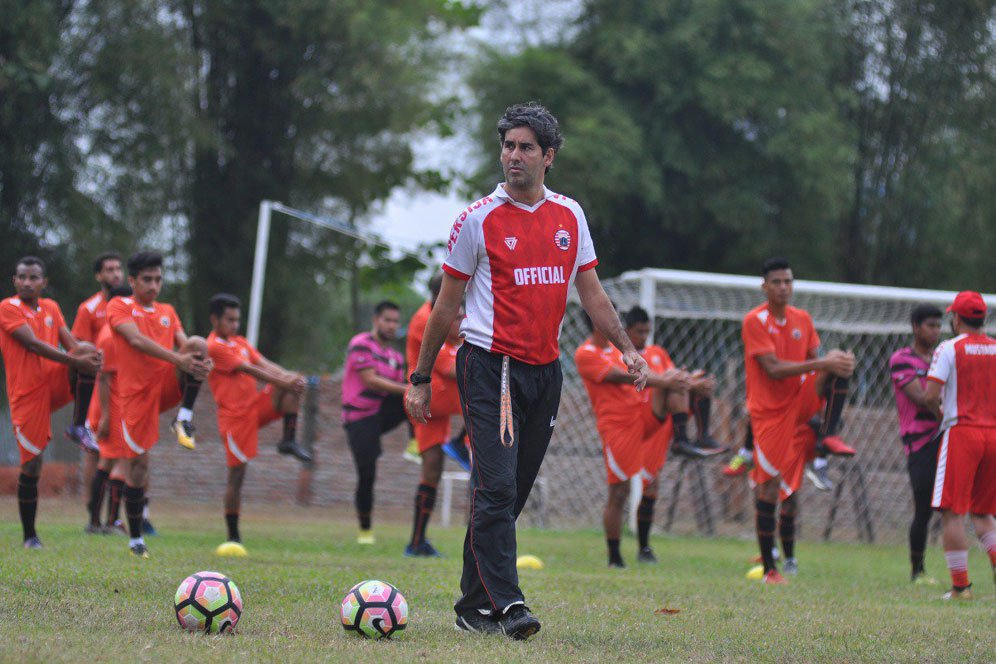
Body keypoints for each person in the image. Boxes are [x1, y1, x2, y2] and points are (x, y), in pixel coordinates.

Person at [406, 102, 649, 639]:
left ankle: (471, 607)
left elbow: (592, 293)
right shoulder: (477, 219)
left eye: (526, 147)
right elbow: (446, 307)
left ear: (549, 157)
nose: (513, 156)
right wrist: (421, 378)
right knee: (494, 490)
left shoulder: (570, 215)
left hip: (545, 372)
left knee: (509, 493)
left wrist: (627, 349)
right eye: (508, 146)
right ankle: (510, 606)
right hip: (490, 366)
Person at [743, 257, 855, 584]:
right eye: (776, 282)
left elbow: (816, 361)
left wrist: (835, 362)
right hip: (768, 414)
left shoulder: (802, 319)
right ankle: (772, 569)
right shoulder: (755, 320)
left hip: (800, 404)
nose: (783, 287)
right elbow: (774, 369)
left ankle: (827, 437)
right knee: (771, 489)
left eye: (788, 281)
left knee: (839, 364)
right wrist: (822, 363)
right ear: (765, 287)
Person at [107, 251, 211, 558]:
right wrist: (180, 359)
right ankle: (136, 539)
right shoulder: (119, 305)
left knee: (198, 344)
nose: (154, 285)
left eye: (158, 279)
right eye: (147, 279)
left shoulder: (167, 310)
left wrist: (202, 364)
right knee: (138, 468)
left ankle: (184, 417)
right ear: (132, 281)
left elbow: (184, 346)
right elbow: (136, 340)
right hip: (134, 395)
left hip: (164, 384)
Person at [0, 256, 102, 548]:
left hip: (52, 382)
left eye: (33, 277)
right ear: (15, 281)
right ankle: (30, 536)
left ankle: (78, 427)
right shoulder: (8, 308)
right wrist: (76, 359)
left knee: (85, 348)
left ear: (43, 282)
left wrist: (90, 359)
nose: (27, 282)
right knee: (32, 466)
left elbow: (71, 344)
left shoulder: (51, 308)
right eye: (22, 277)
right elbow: (32, 344)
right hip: (27, 393)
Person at [575, 311, 684, 568]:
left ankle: (685, 437)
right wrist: (667, 379)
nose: (614, 323)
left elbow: (652, 378)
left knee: (652, 483)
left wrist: (685, 381)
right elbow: (623, 376)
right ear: (595, 321)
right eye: (608, 317)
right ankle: (615, 557)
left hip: (642, 419)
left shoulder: (620, 350)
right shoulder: (586, 353)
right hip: (617, 426)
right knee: (619, 490)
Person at [206, 293, 309, 554]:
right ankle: (233, 534)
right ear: (215, 319)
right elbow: (248, 370)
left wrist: (288, 377)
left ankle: (288, 440)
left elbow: (262, 363)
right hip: (234, 418)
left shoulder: (240, 341)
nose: (235, 325)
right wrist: (282, 380)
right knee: (237, 475)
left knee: (291, 384)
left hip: (254, 407)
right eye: (229, 320)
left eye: (237, 320)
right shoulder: (214, 346)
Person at [622, 306, 725, 563]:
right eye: (638, 332)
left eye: (647, 331)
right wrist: (687, 382)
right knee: (678, 378)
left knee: (652, 485)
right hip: (639, 419)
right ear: (627, 331)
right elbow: (665, 381)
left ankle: (644, 548)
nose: (644, 336)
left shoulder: (658, 353)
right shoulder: (624, 356)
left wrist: (695, 382)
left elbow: (677, 381)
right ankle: (684, 439)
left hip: (662, 421)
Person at [924, 291, 996, 601]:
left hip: (962, 432)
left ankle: (961, 587)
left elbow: (929, 396)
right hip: (993, 434)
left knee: (952, 513)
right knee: (983, 512)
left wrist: (943, 416)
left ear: (956, 318)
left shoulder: (949, 348)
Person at [342, 300, 408, 545]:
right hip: (358, 417)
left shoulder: (395, 357)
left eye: (395, 321)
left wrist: (414, 389)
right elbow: (370, 381)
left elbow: (397, 393)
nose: (391, 325)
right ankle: (365, 531)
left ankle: (415, 444)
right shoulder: (361, 344)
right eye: (387, 320)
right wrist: (407, 389)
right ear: (376, 320)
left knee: (413, 397)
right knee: (367, 473)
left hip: (379, 415)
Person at [889, 304, 943, 584]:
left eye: (938, 325)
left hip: (947, 437)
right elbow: (923, 398)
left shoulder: (942, 357)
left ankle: (957, 570)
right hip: (920, 441)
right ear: (915, 326)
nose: (935, 331)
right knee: (923, 507)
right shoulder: (902, 359)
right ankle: (917, 571)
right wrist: (946, 414)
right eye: (930, 325)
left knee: (953, 508)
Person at [404, 306, 465, 557]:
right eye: (458, 316)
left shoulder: (451, 331)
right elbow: (451, 368)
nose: (462, 320)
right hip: (429, 399)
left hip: (434, 403)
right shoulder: (427, 323)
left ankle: (417, 542)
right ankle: (416, 542)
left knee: (434, 471)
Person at [405, 271, 470, 470]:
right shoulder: (429, 319)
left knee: (431, 470)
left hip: (438, 392)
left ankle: (463, 444)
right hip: (432, 392)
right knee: (485, 393)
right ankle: (463, 444)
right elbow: (450, 368)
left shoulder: (448, 311)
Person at [84, 284, 133, 534]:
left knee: (106, 463)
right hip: (111, 408)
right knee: (121, 463)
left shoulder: (112, 330)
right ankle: (109, 522)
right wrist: (105, 415)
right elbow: (104, 377)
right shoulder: (112, 335)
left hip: (110, 406)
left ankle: (96, 522)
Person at [69, 253, 123, 460]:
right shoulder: (89, 308)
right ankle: (91, 494)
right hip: (100, 386)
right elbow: (77, 347)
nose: (116, 274)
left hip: (126, 382)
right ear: (98, 276)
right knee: (96, 447)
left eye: (118, 269)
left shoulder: (130, 305)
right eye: (109, 270)